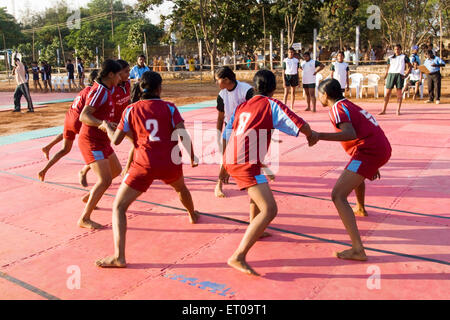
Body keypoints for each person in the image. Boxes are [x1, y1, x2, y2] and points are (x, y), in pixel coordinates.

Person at [95, 71, 199, 268]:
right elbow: (183, 134)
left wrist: (107, 127)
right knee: (181, 188)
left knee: (119, 207)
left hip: (144, 165)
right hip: (170, 162)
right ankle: (192, 214)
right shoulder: (169, 107)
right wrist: (193, 156)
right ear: (159, 88)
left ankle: (119, 256)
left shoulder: (130, 110)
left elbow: (115, 141)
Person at [219, 70, 313, 275]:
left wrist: (224, 164)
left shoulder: (243, 106)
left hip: (237, 158)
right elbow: (299, 124)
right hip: (245, 162)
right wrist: (312, 135)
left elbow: (233, 133)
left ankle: (257, 230)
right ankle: (238, 256)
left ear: (255, 86)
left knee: (257, 195)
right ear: (273, 88)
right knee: (270, 210)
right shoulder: (271, 104)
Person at [309, 78, 391, 261]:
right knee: (354, 174)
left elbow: (350, 134)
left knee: (337, 195)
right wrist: (372, 162)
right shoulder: (347, 104)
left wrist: (318, 135)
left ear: (325, 95)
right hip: (376, 148)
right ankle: (360, 207)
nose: (318, 96)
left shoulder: (337, 109)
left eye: (318, 93)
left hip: (369, 151)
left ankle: (357, 249)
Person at [77, 59, 123, 229]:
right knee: (105, 180)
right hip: (91, 141)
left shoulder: (107, 90)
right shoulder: (100, 91)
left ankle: (90, 196)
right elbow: (84, 116)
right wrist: (102, 123)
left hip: (102, 140)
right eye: (119, 74)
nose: (121, 78)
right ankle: (84, 218)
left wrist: (108, 123)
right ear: (111, 74)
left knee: (117, 170)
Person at [38, 70, 99, 185]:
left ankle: (44, 166)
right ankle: (85, 171)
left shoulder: (83, 90)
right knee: (97, 147)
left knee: (65, 148)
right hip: (78, 120)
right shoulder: (93, 92)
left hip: (69, 117)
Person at [215, 66, 254, 198]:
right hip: (229, 128)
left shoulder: (246, 90)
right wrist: (218, 134)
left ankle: (245, 181)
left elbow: (255, 111)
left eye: (217, 80)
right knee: (225, 156)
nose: (216, 83)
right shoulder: (222, 95)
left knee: (245, 157)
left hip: (245, 128)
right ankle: (219, 184)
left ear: (226, 79)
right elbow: (220, 117)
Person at [379, 44, 412, 116]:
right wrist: (386, 75)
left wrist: (406, 75)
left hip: (399, 75)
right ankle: (383, 110)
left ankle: (398, 110)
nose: (397, 51)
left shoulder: (404, 57)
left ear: (400, 49)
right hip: (391, 75)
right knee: (387, 93)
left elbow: (410, 66)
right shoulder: (390, 58)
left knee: (399, 94)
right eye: (395, 49)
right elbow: (388, 67)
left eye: (398, 49)